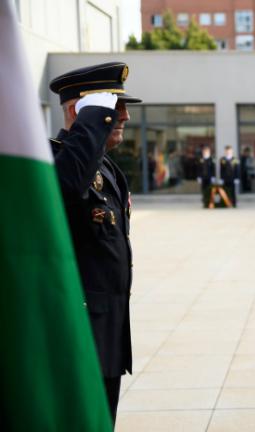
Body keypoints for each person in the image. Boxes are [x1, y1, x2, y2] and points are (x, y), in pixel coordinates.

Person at [48, 61, 141, 427]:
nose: (125, 116)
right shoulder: (54, 159)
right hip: (77, 331)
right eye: (113, 107)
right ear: (79, 111)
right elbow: (68, 186)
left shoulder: (105, 167)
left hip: (108, 330)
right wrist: (90, 124)